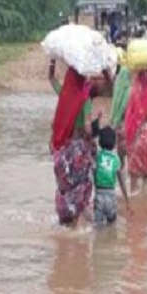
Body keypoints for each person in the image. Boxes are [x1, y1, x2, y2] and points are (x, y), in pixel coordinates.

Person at [48, 60, 99, 226]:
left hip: (63, 149)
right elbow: (87, 129)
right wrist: (95, 122)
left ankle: (64, 222)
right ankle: (78, 228)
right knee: (80, 187)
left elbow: (51, 79)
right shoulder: (85, 99)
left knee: (66, 186)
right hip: (77, 148)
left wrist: (52, 63)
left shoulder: (64, 93)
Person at [91, 125, 130, 226]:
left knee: (97, 225)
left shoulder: (97, 156)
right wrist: (127, 200)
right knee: (112, 224)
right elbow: (121, 182)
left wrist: (95, 187)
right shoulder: (116, 158)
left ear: (100, 142)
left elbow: (94, 173)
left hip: (99, 194)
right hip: (111, 195)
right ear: (114, 143)